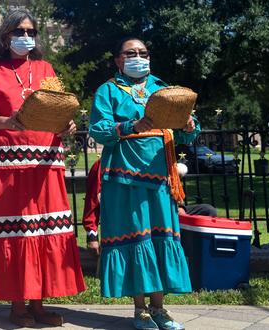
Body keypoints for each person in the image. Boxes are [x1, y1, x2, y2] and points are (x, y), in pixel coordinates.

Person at [0, 9, 85, 327]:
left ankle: (39, 304)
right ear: (6, 35)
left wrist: (67, 124)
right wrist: (9, 121)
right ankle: (18, 305)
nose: (26, 37)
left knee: (44, 230)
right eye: (20, 31)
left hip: (46, 162)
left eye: (31, 32)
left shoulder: (46, 67)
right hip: (9, 164)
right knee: (18, 231)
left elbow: (59, 106)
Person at [89, 37, 200, 330]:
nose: (138, 57)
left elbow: (188, 132)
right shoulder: (108, 91)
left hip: (160, 175)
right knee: (136, 238)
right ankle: (140, 310)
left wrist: (190, 126)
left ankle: (160, 309)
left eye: (143, 53)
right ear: (118, 60)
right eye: (131, 53)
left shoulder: (163, 89)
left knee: (160, 238)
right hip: (124, 177)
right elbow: (98, 131)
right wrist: (129, 126)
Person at [82, 160, 217, 258]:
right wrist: (92, 236)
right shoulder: (104, 163)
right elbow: (92, 201)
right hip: (135, 215)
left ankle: (197, 260)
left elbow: (171, 190)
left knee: (207, 211)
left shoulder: (156, 160)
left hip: (165, 209)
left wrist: (179, 207)